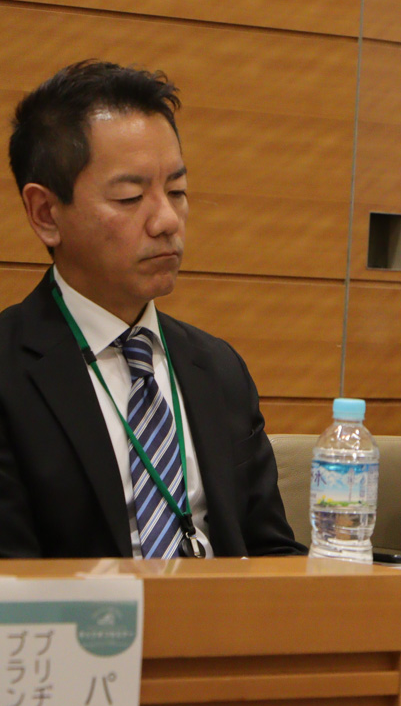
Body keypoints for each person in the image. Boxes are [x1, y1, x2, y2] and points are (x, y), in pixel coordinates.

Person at [0, 60, 304, 559]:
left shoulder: (217, 368)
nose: (167, 220)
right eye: (130, 196)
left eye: (177, 191)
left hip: (223, 609)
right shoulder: (9, 373)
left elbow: (269, 551)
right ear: (46, 213)